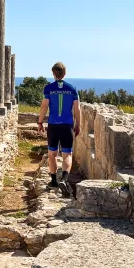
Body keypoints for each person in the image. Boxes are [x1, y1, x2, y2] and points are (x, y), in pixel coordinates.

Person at [38, 62, 81, 197]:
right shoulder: (72, 88)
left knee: (52, 154)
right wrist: (78, 124)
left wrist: (40, 122)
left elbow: (44, 107)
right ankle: (64, 178)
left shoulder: (48, 88)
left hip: (53, 125)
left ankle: (53, 181)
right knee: (67, 154)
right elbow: (77, 108)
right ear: (64, 73)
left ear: (53, 73)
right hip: (67, 124)